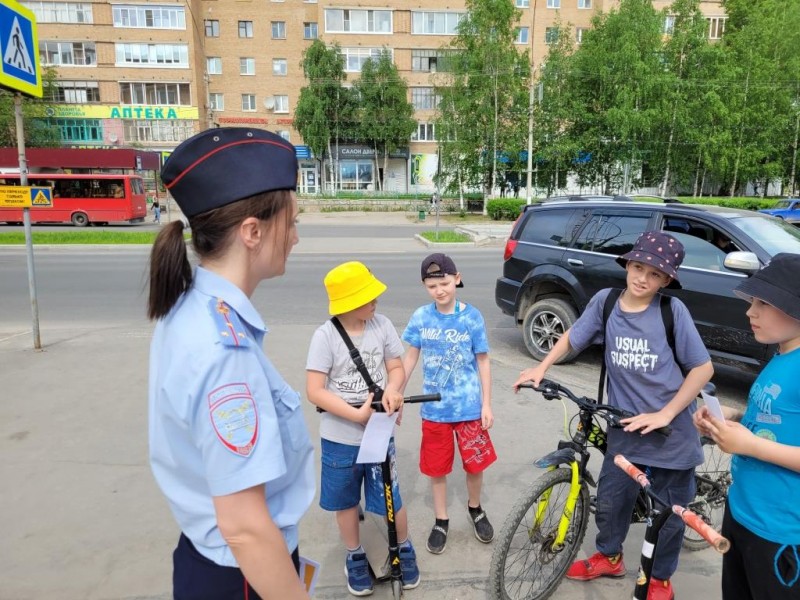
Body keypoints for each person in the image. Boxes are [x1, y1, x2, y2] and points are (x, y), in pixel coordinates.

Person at [147, 127, 314, 600]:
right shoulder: (224, 351)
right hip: (243, 575)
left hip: (209, 559)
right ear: (253, 232)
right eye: (292, 222)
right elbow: (243, 527)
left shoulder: (191, 307)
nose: (296, 237)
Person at [513, 231, 714, 600]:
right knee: (610, 501)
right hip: (623, 427)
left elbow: (702, 369)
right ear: (627, 265)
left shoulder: (671, 311)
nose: (642, 278)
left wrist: (667, 414)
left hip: (671, 435)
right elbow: (574, 337)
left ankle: (660, 579)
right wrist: (541, 367)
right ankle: (609, 556)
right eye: (638, 267)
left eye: (654, 274)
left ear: (666, 280)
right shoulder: (606, 303)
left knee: (668, 514)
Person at [305, 261, 419, 597]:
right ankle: (354, 554)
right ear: (348, 303)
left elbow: (395, 367)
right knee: (344, 498)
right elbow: (315, 389)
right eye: (368, 297)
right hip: (339, 435)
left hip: (380, 433)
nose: (376, 302)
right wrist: (356, 416)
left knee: (389, 494)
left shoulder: (382, 325)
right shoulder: (325, 336)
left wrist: (394, 389)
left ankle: (403, 547)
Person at [694, 253, 800, 600]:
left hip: (781, 531)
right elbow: (778, 417)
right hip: (741, 510)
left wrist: (750, 445)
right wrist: (734, 418)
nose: (750, 312)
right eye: (752, 301)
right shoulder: (781, 353)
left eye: (764, 303)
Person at [401, 253, 496, 555]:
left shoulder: (471, 317)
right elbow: (410, 358)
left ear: (456, 278)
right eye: (432, 286)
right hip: (435, 411)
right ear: (424, 285)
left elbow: (483, 361)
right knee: (437, 469)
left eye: (444, 283)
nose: (439, 290)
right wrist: (396, 393)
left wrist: (487, 404)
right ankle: (441, 519)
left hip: (469, 409)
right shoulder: (421, 317)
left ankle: (475, 508)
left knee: (474, 465)